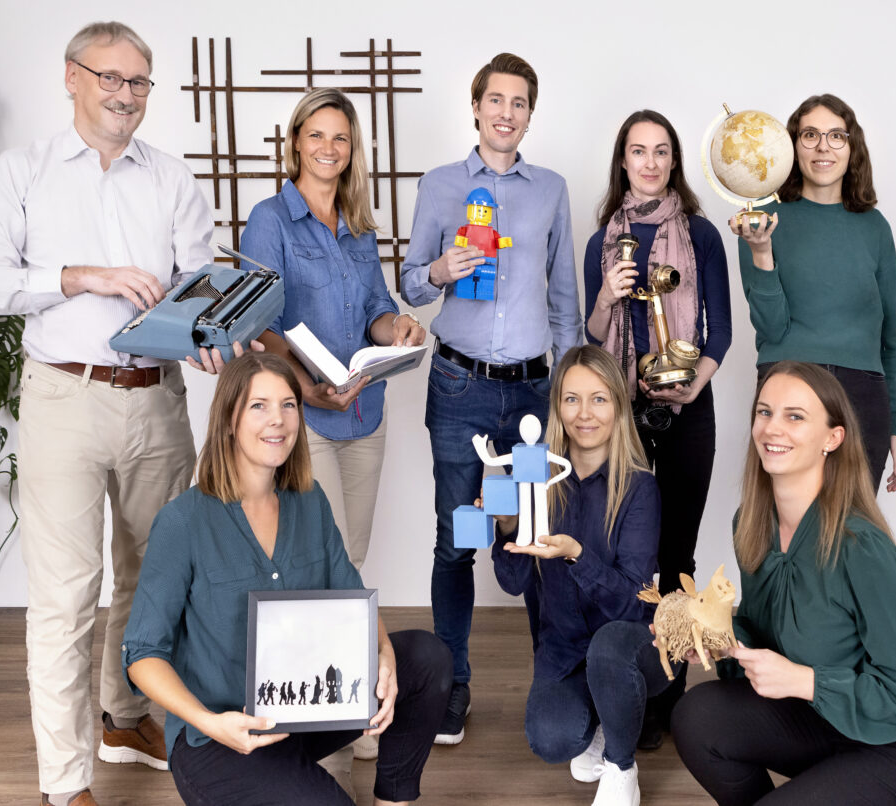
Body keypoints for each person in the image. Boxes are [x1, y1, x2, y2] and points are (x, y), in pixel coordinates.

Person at [0, 22, 251, 806]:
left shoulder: (172, 179)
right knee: (66, 595)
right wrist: (81, 275)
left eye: (138, 82)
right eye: (109, 78)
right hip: (64, 397)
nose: (125, 95)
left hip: (157, 398)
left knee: (153, 576)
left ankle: (123, 717)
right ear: (72, 77)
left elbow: (196, 287)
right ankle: (64, 783)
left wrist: (211, 337)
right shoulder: (23, 173)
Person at [123, 352, 453, 806]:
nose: (277, 419)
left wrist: (385, 656)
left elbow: (353, 596)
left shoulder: (310, 500)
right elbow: (142, 654)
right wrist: (210, 722)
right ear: (229, 420)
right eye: (258, 405)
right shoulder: (183, 522)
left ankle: (393, 800)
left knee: (428, 658)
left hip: (300, 711)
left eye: (288, 405)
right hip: (219, 739)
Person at [671, 362, 896, 806]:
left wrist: (804, 680)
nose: (772, 428)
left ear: (832, 438)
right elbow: (763, 630)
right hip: (820, 721)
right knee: (695, 716)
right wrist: (719, 640)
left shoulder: (861, 547)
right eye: (764, 412)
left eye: (795, 416)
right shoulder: (751, 524)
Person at [400, 51, 583, 744]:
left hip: (534, 396)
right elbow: (410, 284)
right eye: (496, 100)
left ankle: (553, 681)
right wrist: (440, 269)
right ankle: (452, 684)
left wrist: (568, 388)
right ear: (475, 107)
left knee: (533, 538)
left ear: (530, 114)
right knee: (458, 542)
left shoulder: (551, 190)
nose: (507, 113)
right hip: (459, 387)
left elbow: (564, 295)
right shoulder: (440, 185)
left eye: (519, 103)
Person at [582, 109, 732, 747]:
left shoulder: (701, 235)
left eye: (661, 151)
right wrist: (607, 298)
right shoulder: (602, 242)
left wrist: (694, 385)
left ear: (674, 162)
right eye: (638, 151)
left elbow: (720, 329)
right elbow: (592, 337)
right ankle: (626, 685)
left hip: (689, 412)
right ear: (623, 161)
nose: (649, 162)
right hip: (622, 418)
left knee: (677, 555)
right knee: (627, 556)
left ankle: (669, 692)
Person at [242, 87, 426, 576]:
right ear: (296, 142)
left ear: (352, 148)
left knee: (351, 559)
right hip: (304, 418)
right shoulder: (269, 220)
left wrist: (398, 327)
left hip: (366, 413)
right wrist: (307, 391)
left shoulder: (359, 226)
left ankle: (342, 632)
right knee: (314, 559)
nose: (329, 148)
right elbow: (259, 327)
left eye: (340, 138)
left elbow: (376, 309)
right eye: (316, 135)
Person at [490, 346, 668, 806]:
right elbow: (512, 583)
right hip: (565, 649)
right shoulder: (535, 480)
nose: (584, 414)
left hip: (632, 646)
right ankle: (601, 717)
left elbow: (634, 603)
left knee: (609, 645)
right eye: (572, 399)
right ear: (557, 407)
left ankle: (622, 765)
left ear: (618, 407)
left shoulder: (640, 487)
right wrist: (507, 525)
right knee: (551, 738)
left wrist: (576, 555)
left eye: (599, 399)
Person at [731, 94, 896, 494]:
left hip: (864, 395)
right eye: (810, 135)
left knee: (853, 525)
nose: (823, 147)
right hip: (788, 386)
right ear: (792, 146)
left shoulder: (875, 227)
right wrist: (761, 252)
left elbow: (891, 334)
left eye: (836, 136)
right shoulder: (761, 220)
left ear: (852, 147)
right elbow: (771, 329)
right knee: (786, 520)